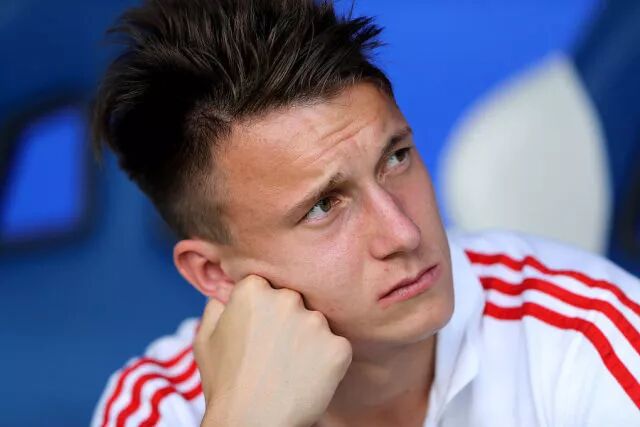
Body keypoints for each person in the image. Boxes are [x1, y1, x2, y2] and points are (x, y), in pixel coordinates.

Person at [90, 0, 640, 426]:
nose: (403, 232)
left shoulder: (588, 333)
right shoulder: (161, 406)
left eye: (395, 158)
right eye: (323, 206)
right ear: (215, 274)